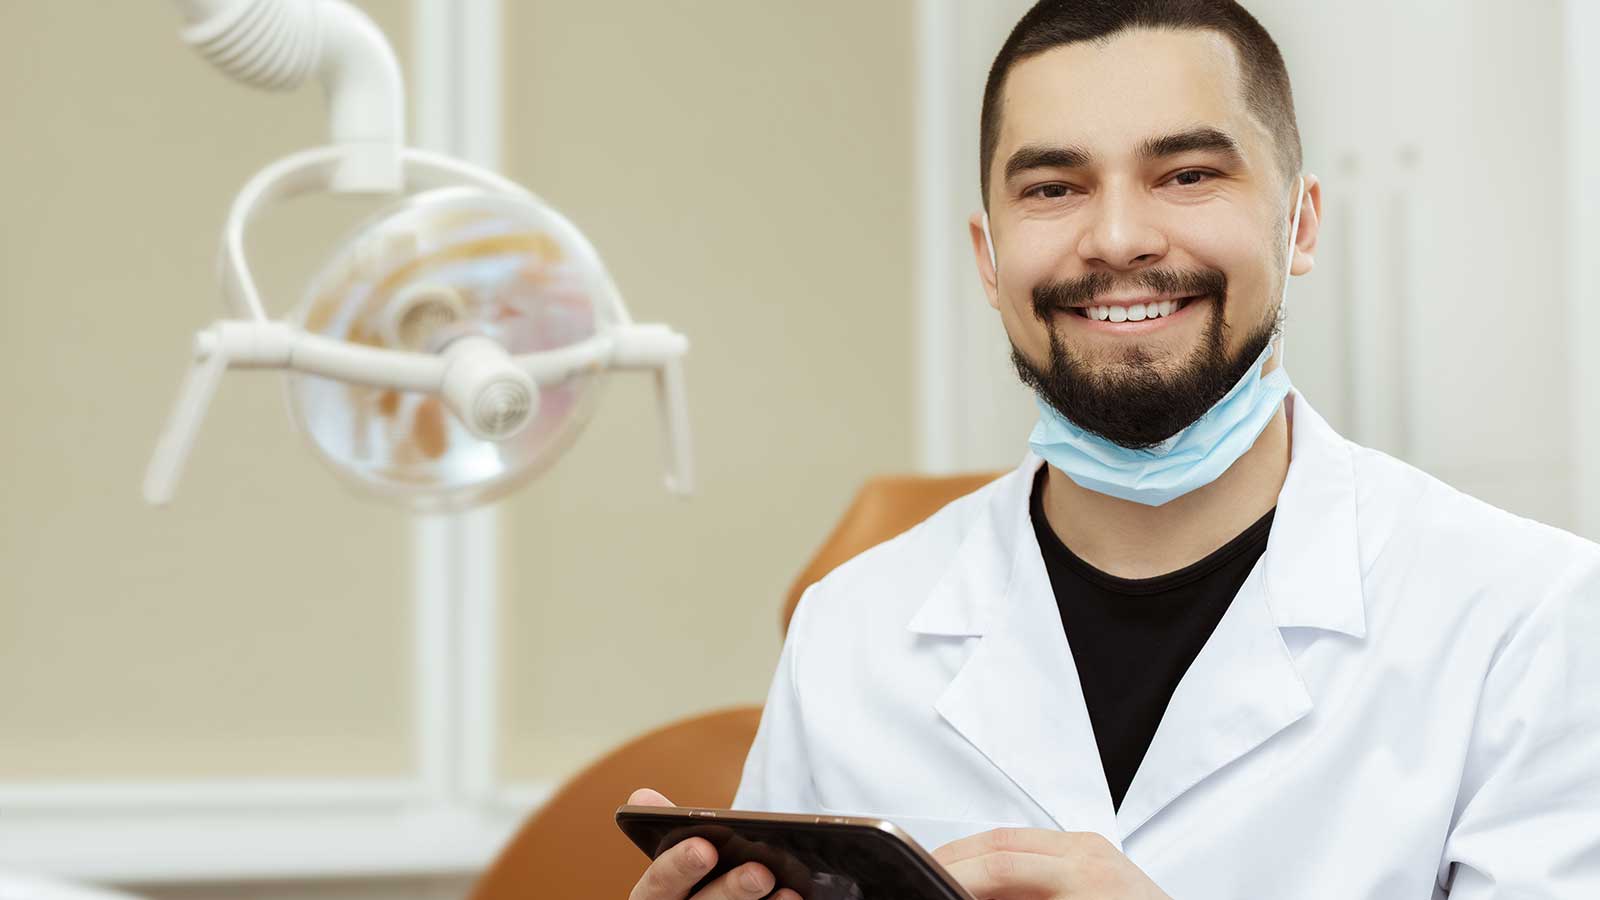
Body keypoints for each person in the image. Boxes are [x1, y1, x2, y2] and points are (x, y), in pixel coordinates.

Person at [627, 1, 1600, 897]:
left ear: (1298, 221)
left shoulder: (1529, 623)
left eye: (1186, 175)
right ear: (988, 258)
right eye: (1053, 187)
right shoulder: (850, 635)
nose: (1119, 237)